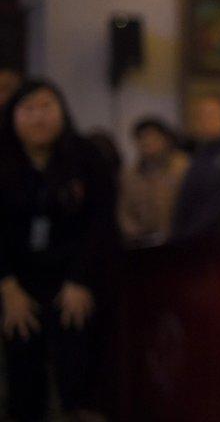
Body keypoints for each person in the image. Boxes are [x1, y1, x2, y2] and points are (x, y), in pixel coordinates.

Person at [0, 79, 117, 421]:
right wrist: (7, 287)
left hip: (75, 277)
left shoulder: (86, 156)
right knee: (23, 378)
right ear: (12, 117)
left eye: (47, 106)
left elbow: (101, 223)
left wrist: (79, 280)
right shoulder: (4, 159)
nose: (39, 117)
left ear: (62, 111)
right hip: (16, 280)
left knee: (80, 375)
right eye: (29, 109)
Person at [173, 94, 220, 239]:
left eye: (212, 114)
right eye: (201, 115)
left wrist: (192, 231)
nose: (206, 120)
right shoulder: (200, 152)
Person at [117, 117, 188, 246]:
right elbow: (124, 210)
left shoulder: (183, 168)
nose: (148, 142)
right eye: (142, 138)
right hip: (143, 241)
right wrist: (134, 231)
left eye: (153, 137)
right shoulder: (130, 174)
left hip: (180, 239)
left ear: (166, 139)